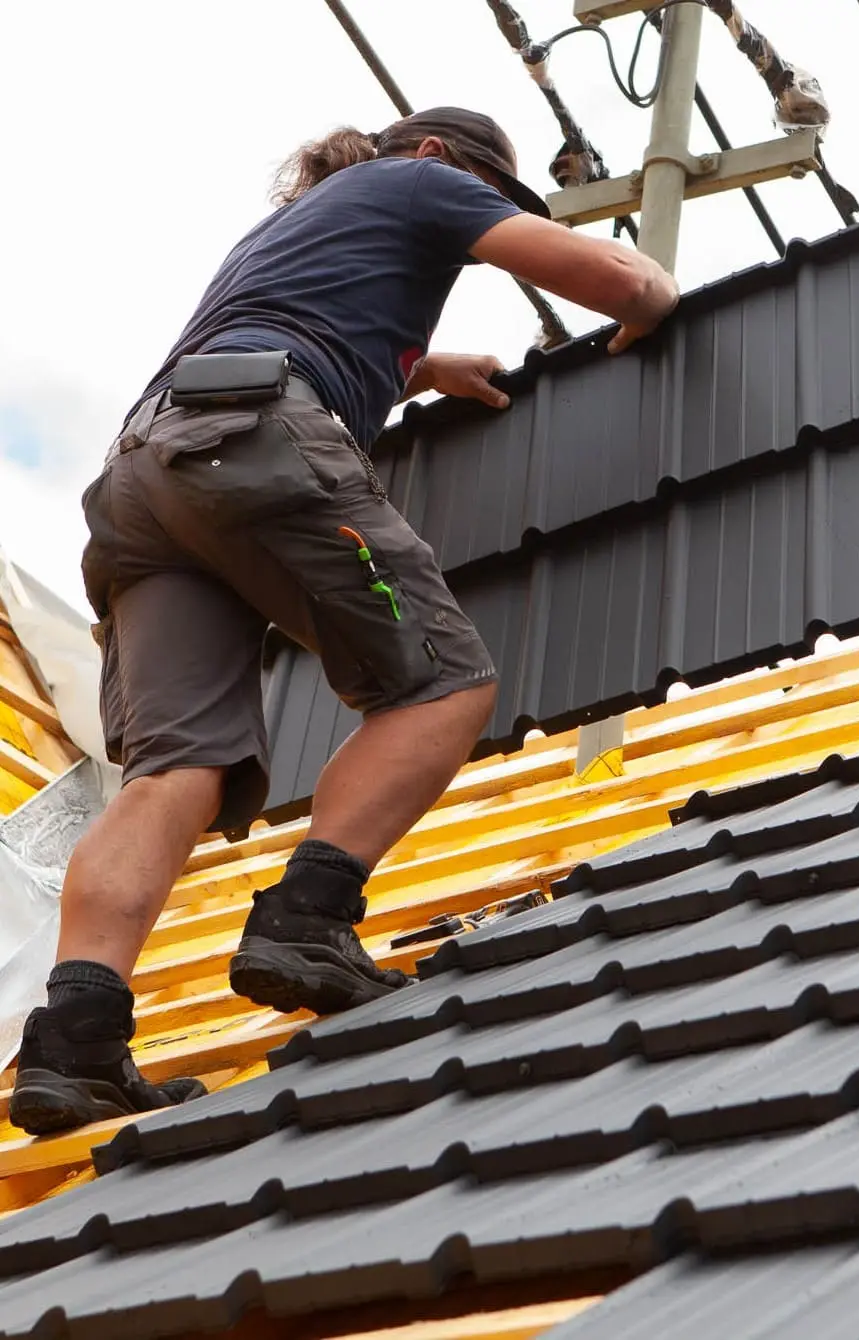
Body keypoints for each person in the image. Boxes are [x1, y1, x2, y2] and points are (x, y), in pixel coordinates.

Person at [9, 107, 679, 1135]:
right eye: (489, 191)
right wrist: (652, 291)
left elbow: (302, 323)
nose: (486, 212)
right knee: (441, 683)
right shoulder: (418, 181)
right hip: (251, 444)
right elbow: (619, 284)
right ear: (436, 157)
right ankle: (308, 917)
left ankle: (75, 1043)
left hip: (143, 483)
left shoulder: (297, 227)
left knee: (172, 771)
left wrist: (420, 368)